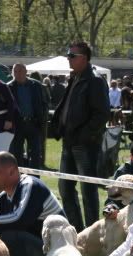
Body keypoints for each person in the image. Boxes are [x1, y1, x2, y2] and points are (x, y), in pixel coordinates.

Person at [51, 41, 109, 232]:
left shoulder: (95, 80)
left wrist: (84, 136)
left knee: (88, 190)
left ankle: (92, 233)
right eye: (68, 55)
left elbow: (101, 114)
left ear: (84, 58)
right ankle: (77, 229)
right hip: (69, 142)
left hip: (85, 145)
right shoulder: (75, 78)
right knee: (65, 188)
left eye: (72, 55)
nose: (68, 58)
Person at [7, 63, 45, 169]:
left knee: (35, 154)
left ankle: (35, 177)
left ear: (26, 72)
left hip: (34, 123)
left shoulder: (36, 85)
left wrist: (41, 119)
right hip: (17, 125)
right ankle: (19, 176)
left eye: (20, 71)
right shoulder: (8, 87)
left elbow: (43, 103)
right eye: (15, 71)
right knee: (17, 154)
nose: (17, 74)